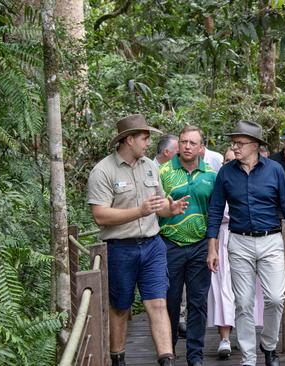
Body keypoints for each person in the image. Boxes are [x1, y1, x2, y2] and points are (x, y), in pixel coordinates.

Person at [87, 114, 189, 366]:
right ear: (129, 140)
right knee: (121, 307)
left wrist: (170, 208)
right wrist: (138, 212)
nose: (148, 143)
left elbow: (157, 205)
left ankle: (166, 360)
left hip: (153, 245)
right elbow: (100, 215)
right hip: (120, 248)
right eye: (144, 138)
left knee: (157, 302)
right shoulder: (103, 171)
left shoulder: (150, 166)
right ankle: (118, 359)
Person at [207, 120, 285, 366]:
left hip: (271, 241)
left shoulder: (274, 170)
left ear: (255, 146)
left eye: (240, 143)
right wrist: (213, 247)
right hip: (239, 243)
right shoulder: (226, 173)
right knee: (244, 303)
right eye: (234, 143)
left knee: (275, 298)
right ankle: (249, 358)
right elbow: (216, 211)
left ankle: (269, 344)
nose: (235, 147)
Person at [158, 125, 217, 366]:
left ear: (201, 148)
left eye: (193, 143)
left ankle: (195, 355)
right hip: (169, 244)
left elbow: (214, 213)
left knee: (198, 302)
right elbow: (153, 207)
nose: (188, 146)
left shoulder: (212, 175)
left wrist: (213, 247)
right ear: (178, 145)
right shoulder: (163, 172)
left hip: (200, 245)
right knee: (169, 301)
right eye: (184, 142)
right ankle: (168, 351)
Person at [206, 148, 265, 359]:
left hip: (246, 238)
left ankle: (245, 335)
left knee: (247, 288)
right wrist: (211, 247)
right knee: (222, 287)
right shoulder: (219, 182)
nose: (230, 164)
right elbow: (212, 214)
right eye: (226, 161)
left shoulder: (254, 182)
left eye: (233, 160)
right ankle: (224, 339)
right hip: (223, 238)